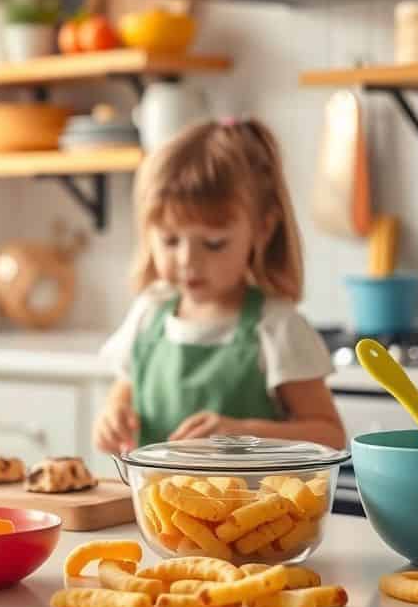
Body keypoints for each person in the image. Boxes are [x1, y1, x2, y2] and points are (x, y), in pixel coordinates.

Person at [94, 117, 345, 453]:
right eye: (170, 240)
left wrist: (243, 432)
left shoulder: (276, 327)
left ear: (262, 230)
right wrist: (110, 420)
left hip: (251, 506)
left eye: (213, 243)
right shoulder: (148, 315)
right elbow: (121, 399)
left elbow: (330, 434)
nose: (188, 260)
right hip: (152, 506)